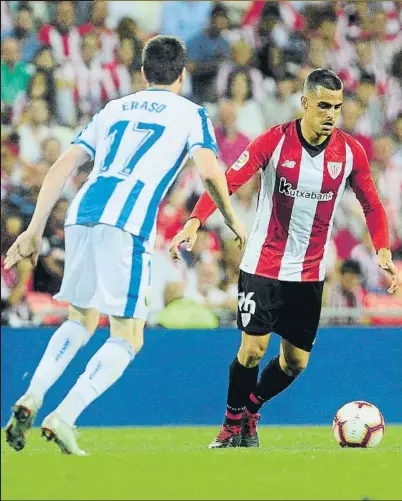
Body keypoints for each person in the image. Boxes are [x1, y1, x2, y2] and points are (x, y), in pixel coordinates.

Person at [4, 35, 246, 456]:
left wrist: (34, 228)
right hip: (127, 221)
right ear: (183, 74)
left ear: (142, 73)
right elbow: (209, 170)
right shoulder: (192, 113)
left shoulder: (114, 108)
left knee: (80, 317)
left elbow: (64, 164)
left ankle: (33, 395)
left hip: (82, 212)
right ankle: (64, 415)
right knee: (129, 335)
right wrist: (229, 215)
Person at [170, 68, 400, 449]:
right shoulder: (274, 141)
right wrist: (195, 220)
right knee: (253, 350)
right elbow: (227, 180)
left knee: (295, 363)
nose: (330, 114)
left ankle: (251, 410)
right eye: (323, 105)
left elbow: (372, 204)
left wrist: (383, 250)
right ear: (305, 103)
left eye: (337, 107)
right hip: (263, 264)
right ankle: (230, 428)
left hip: (309, 273)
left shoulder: (350, 152)